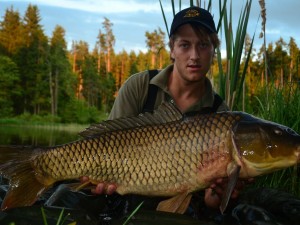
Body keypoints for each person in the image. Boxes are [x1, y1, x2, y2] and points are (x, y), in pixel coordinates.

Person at [82, 6, 250, 212]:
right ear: (172, 49)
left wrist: (215, 197)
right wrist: (99, 179)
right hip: (117, 184)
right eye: (185, 45)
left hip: (180, 197)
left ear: (213, 50)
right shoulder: (140, 86)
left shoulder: (220, 113)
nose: (194, 56)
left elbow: (211, 198)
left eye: (204, 45)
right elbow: (106, 138)